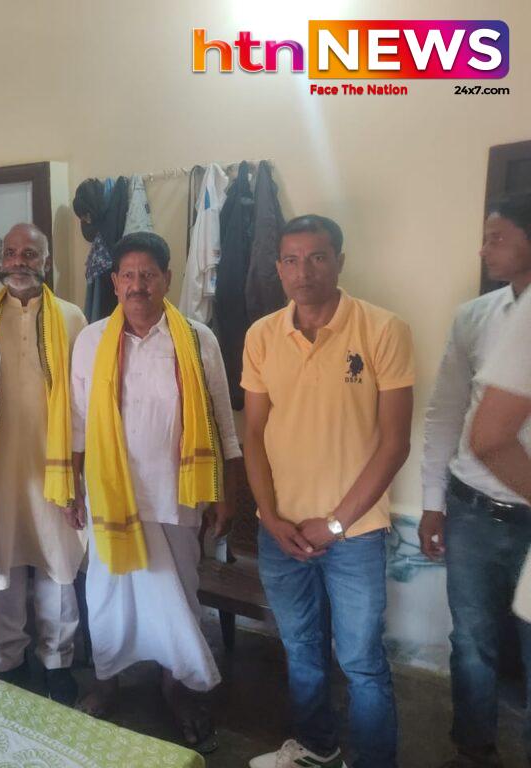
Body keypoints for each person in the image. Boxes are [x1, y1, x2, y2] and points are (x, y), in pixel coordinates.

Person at [243, 215, 414, 768]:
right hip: (282, 533)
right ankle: (317, 748)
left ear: (340, 260)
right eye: (291, 260)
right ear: (278, 268)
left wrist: (336, 523)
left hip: (355, 534)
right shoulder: (262, 335)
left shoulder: (383, 329)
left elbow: (395, 443)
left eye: (317, 257)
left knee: (361, 661)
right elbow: (253, 434)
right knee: (301, 650)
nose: (304, 272)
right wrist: (269, 516)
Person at [71, 231, 240, 753]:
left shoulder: (197, 339)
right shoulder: (92, 339)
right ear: (114, 281)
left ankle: (178, 686)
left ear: (167, 278)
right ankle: (107, 680)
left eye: (148, 274)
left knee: (180, 595)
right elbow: (77, 423)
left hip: (176, 495)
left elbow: (222, 420)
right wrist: (74, 488)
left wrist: (227, 492)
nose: (137, 285)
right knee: (107, 595)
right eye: (128, 275)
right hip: (108, 497)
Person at [420, 194, 531, 767]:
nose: (484, 250)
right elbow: (445, 412)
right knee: (471, 640)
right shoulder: (476, 317)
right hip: (474, 509)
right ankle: (473, 749)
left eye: (497, 238)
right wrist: (431, 503)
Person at [0, 223, 87, 703]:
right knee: (1, 564)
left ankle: (57, 659)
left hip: (55, 464)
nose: (18, 261)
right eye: (10, 252)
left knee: (57, 563)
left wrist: (78, 472)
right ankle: (7, 656)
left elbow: (83, 400)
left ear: (47, 262)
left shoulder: (72, 318)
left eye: (29, 253)